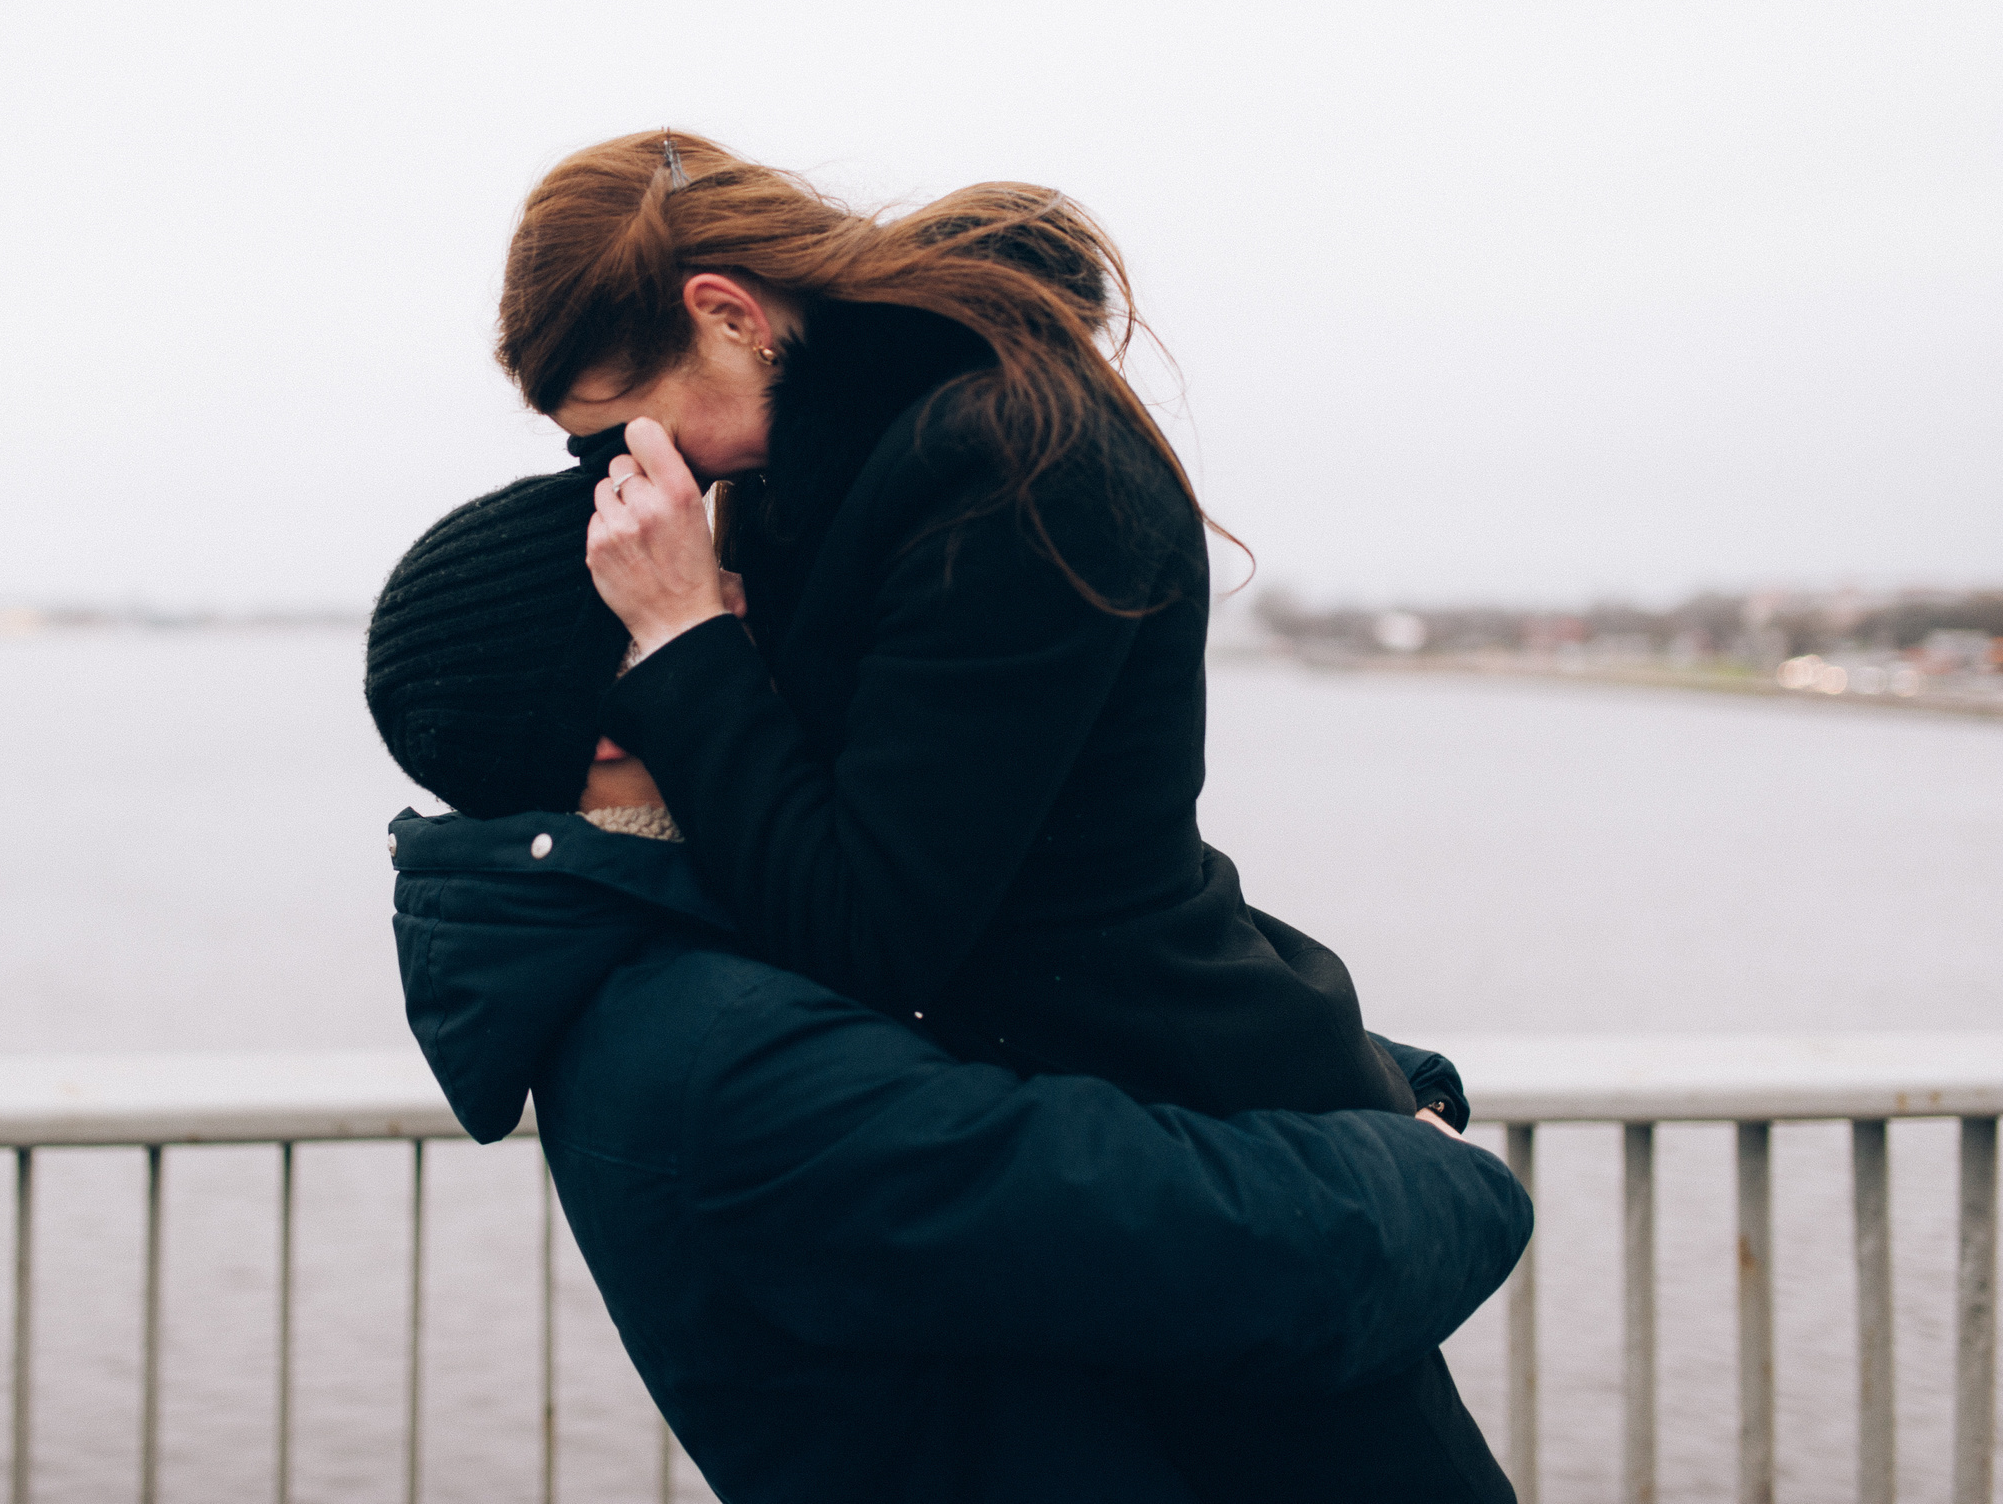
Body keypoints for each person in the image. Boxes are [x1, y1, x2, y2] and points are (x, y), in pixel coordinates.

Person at [491, 130, 1512, 1496]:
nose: (641, 472)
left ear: (727, 314)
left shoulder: (1013, 458)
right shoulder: (835, 474)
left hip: (1210, 1155)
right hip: (1093, 1152)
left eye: (633, 423)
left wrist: (682, 636)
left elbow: (876, 927)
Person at [365, 466, 1532, 1503]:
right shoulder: (721, 1055)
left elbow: (1058, 1033)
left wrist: (1387, 1079)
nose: (774, 620)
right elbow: (1218, 1246)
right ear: (611, 731)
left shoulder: (705, 953)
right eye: (717, 605)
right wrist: (1443, 1172)